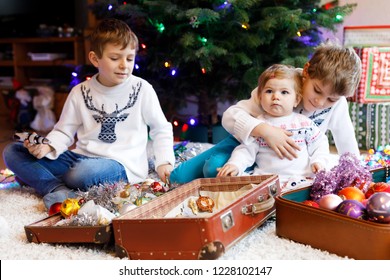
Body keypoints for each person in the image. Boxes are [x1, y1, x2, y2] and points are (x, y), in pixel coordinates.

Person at [2, 18, 175, 210]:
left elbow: (161, 129)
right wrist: (47, 148)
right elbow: (63, 132)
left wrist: (164, 162)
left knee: (81, 174)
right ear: (95, 59)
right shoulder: (79, 92)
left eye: (129, 58)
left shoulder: (142, 89)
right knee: (12, 152)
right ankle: (57, 188)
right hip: (79, 158)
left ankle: (43, 178)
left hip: (120, 164)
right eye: (115, 58)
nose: (124, 65)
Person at [169, 42, 361, 184]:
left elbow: (347, 142)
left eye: (331, 99)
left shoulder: (337, 104)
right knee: (178, 177)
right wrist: (265, 131)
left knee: (213, 170)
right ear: (307, 71)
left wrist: (356, 173)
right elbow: (230, 117)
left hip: (279, 162)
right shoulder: (281, 85)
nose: (320, 102)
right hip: (249, 143)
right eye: (317, 90)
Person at [217, 64, 329, 184]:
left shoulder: (304, 123)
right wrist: (235, 164)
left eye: (284, 92)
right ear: (260, 98)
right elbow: (246, 150)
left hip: (301, 179)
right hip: (267, 181)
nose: (276, 97)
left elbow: (320, 143)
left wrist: (319, 161)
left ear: (296, 100)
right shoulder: (258, 124)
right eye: (269, 91)